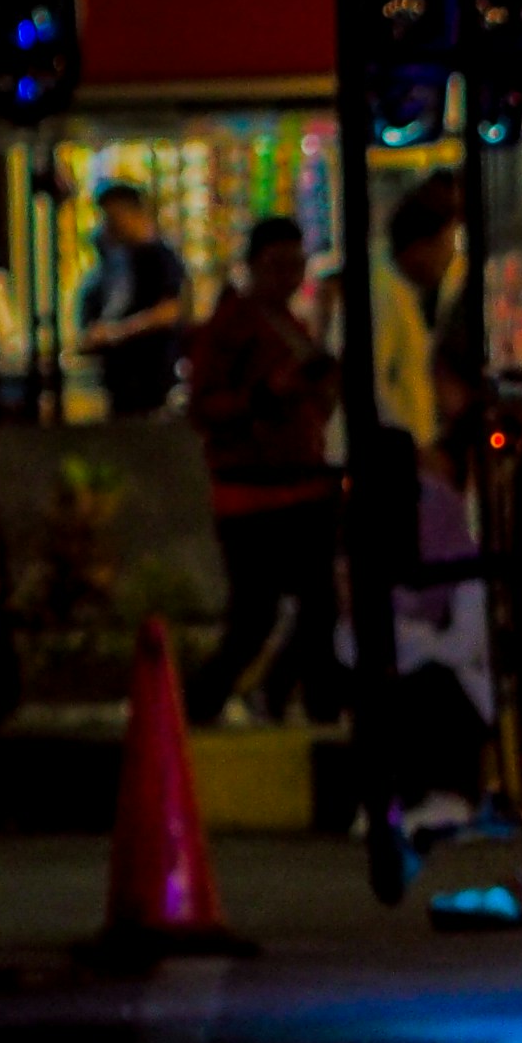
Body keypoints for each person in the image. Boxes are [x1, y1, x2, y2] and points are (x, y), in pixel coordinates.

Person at [182, 218, 345, 726]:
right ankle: (207, 705)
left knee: (313, 610)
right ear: (253, 267)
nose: (288, 277)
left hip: (294, 485)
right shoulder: (232, 326)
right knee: (262, 615)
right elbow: (204, 408)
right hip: (255, 493)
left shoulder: (285, 323)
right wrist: (267, 395)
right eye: (277, 266)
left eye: (295, 266)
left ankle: (299, 704)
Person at [71, 181, 191, 417]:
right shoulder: (115, 260)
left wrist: (118, 332)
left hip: (149, 379)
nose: (108, 226)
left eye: (114, 217)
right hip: (121, 382)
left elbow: (171, 310)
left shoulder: (159, 257)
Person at [369, 178, 465, 450]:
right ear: (420, 247)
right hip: (394, 459)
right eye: (445, 248)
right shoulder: (382, 296)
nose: (448, 260)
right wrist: (416, 450)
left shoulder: (404, 292)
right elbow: (374, 384)